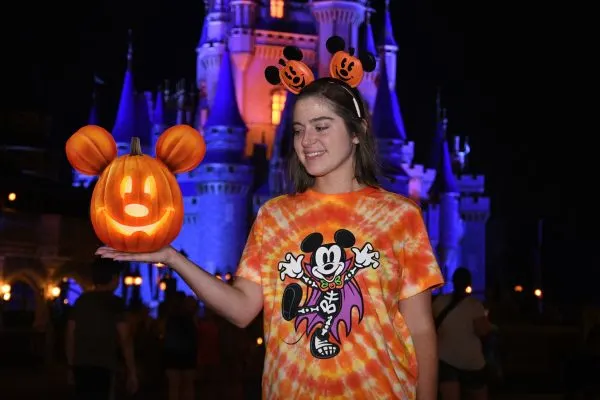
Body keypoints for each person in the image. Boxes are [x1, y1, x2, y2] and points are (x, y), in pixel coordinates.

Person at [97, 42, 444, 399]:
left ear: (357, 131)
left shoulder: (399, 216)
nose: (307, 141)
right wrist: (172, 258)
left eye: (322, 127)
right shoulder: (275, 216)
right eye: (298, 129)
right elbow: (243, 309)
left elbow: (420, 329)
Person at [65, 257, 138, 399]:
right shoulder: (115, 303)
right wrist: (132, 371)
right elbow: (125, 339)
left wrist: (70, 365)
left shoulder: (81, 301)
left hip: (81, 364)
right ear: (114, 278)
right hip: (104, 364)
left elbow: (70, 334)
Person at [432, 267, 492, 400]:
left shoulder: (439, 302)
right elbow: (482, 331)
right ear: (469, 283)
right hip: (471, 362)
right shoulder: (475, 305)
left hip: (445, 359)